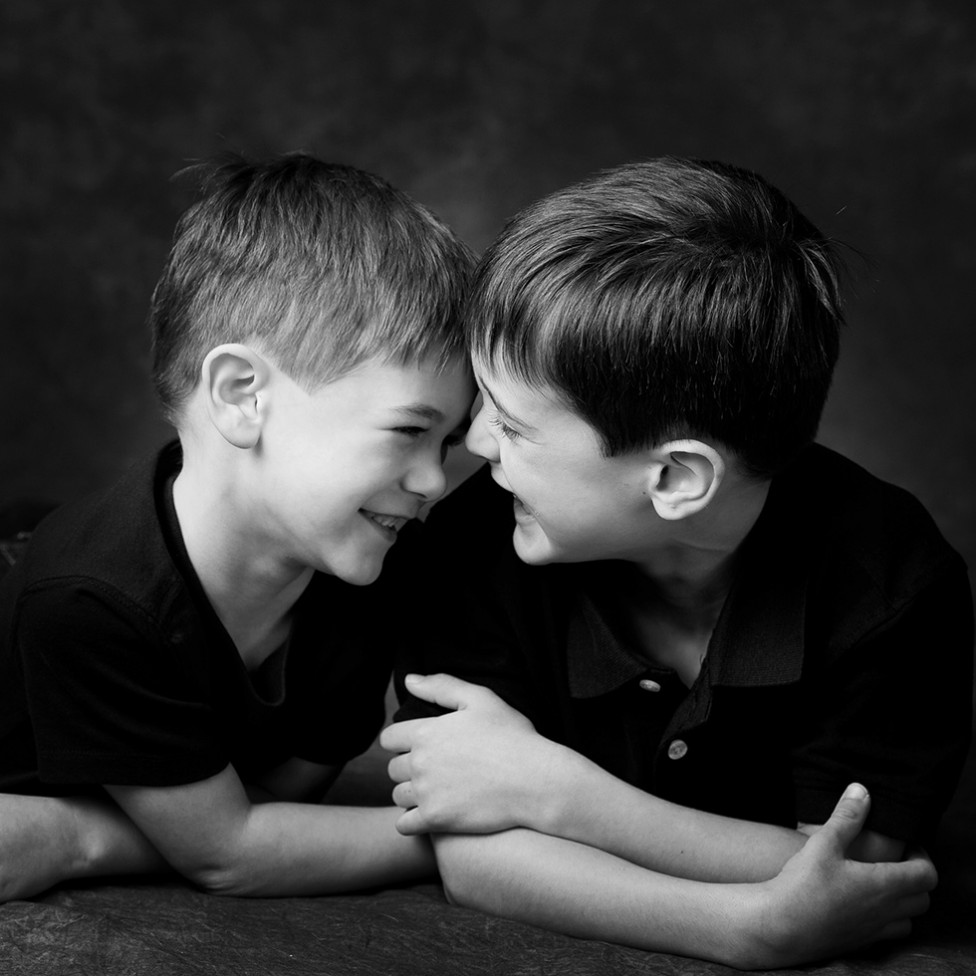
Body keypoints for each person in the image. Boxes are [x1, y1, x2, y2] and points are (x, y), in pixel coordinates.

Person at [382, 157, 973, 968]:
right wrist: (743, 926)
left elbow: (852, 875)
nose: (473, 444)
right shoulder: (468, 545)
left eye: (514, 428)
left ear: (674, 479)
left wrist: (559, 793)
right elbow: (475, 855)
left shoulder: (892, 586)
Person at [0, 152, 476, 900]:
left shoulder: (368, 569)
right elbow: (230, 852)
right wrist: (491, 828)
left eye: (446, 442)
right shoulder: (92, 602)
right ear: (241, 395)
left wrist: (80, 837)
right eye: (407, 431)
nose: (433, 480)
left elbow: (279, 811)